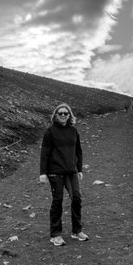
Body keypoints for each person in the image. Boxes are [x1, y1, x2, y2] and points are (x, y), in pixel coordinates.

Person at [39, 103, 89, 246]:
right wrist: (43, 173)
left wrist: (79, 169)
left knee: (77, 198)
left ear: (69, 115)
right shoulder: (50, 132)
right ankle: (55, 235)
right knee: (57, 201)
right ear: (55, 115)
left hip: (71, 171)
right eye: (60, 113)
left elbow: (78, 151)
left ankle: (76, 231)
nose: (62, 115)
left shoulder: (73, 131)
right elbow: (45, 153)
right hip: (55, 172)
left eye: (65, 113)